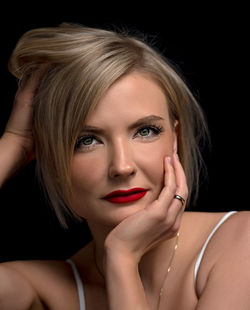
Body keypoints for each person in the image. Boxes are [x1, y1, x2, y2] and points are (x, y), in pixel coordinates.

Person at [0, 22, 249, 310]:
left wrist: (121, 258)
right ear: (52, 156)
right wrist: (14, 143)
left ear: (175, 139)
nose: (122, 166)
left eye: (145, 131)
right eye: (87, 140)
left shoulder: (240, 242)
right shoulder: (42, 288)